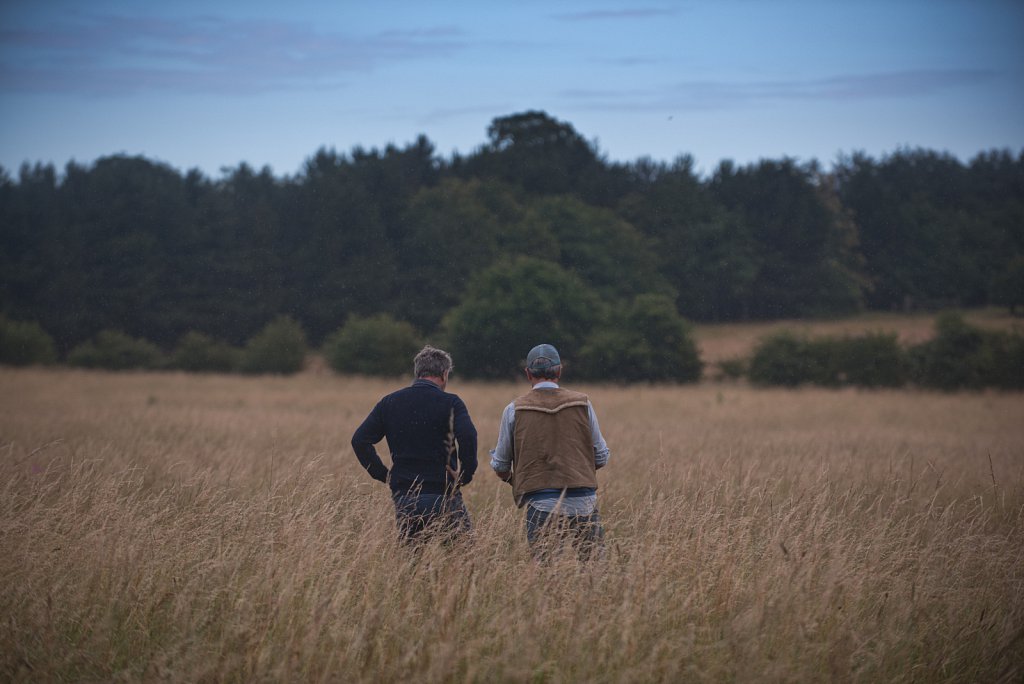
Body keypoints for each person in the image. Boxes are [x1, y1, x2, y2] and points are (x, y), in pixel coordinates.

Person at [490, 343, 610, 560]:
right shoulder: (583, 404)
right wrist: (577, 469)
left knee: (546, 577)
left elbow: (500, 466)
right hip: (584, 502)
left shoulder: (514, 409)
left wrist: (513, 479)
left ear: (528, 374)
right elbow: (601, 456)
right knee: (595, 572)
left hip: (541, 504)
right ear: (559, 371)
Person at [351, 345, 477, 543]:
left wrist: (384, 475)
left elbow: (359, 441)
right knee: (465, 557)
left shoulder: (389, 402)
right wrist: (465, 475)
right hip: (443, 492)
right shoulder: (451, 402)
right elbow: (468, 435)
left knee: (413, 564)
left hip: (405, 495)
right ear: (444, 374)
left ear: (417, 373)